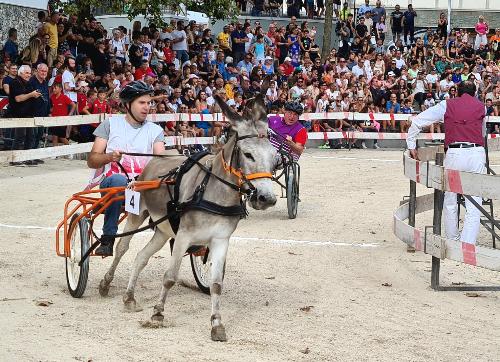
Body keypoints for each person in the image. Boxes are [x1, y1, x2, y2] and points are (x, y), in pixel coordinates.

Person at [87, 81, 165, 256]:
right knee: (118, 179)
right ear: (128, 104)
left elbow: (161, 162)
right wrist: (109, 157)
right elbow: (92, 160)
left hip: (144, 189)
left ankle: (182, 237)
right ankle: (108, 238)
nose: (147, 107)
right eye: (142, 103)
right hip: (114, 186)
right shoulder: (111, 124)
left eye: (149, 102)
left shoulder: (155, 130)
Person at [406, 81, 486, 247]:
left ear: (456, 92)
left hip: (455, 153)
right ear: (475, 93)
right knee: (475, 201)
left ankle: (452, 239)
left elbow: (417, 121)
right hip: (476, 153)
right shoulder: (482, 107)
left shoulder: (446, 105)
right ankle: (467, 243)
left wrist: (411, 144)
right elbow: (482, 132)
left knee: (450, 198)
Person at [8, 65, 42, 166]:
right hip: (19, 114)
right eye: (27, 73)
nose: (29, 75)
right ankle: (14, 159)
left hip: (29, 113)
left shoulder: (28, 83)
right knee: (20, 136)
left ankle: (27, 158)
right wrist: (31, 94)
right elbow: (18, 98)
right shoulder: (15, 82)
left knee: (31, 136)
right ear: (21, 73)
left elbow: (30, 96)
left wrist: (36, 95)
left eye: (30, 73)